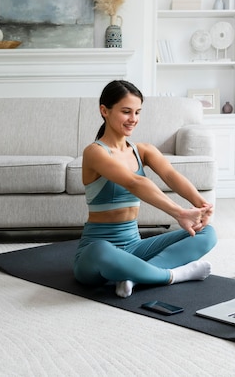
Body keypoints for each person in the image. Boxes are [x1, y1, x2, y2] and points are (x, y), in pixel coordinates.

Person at [73, 80, 217, 298]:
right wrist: (179, 213)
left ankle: (133, 276)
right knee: (101, 251)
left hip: (135, 246)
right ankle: (174, 275)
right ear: (104, 111)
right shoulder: (95, 152)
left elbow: (171, 175)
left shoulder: (143, 150)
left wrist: (201, 204)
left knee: (207, 233)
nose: (133, 119)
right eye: (126, 112)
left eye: (138, 112)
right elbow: (135, 182)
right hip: (96, 249)